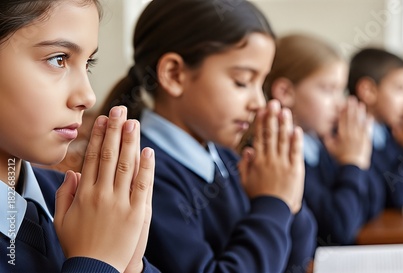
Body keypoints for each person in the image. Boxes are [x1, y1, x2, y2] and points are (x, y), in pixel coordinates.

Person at [100, 1, 316, 272]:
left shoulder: (226, 158)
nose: (259, 102)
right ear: (174, 74)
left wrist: (289, 201)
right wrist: (273, 205)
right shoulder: (142, 174)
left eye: (261, 83)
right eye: (242, 81)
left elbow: (293, 263)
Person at [0, 1, 157, 272]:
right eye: (57, 59)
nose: (88, 96)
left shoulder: (82, 203)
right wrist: (97, 263)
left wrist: (131, 266)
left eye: (88, 64)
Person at [263, 34, 373, 245]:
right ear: (285, 92)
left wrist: (357, 156)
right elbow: (340, 229)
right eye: (328, 90)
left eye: (341, 91)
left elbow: (370, 208)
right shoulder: (279, 157)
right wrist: (353, 163)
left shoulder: (319, 144)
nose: (340, 104)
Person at [348, 48, 403, 209]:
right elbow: (397, 195)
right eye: (400, 89)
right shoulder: (350, 137)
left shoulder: (387, 131)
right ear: (368, 91)